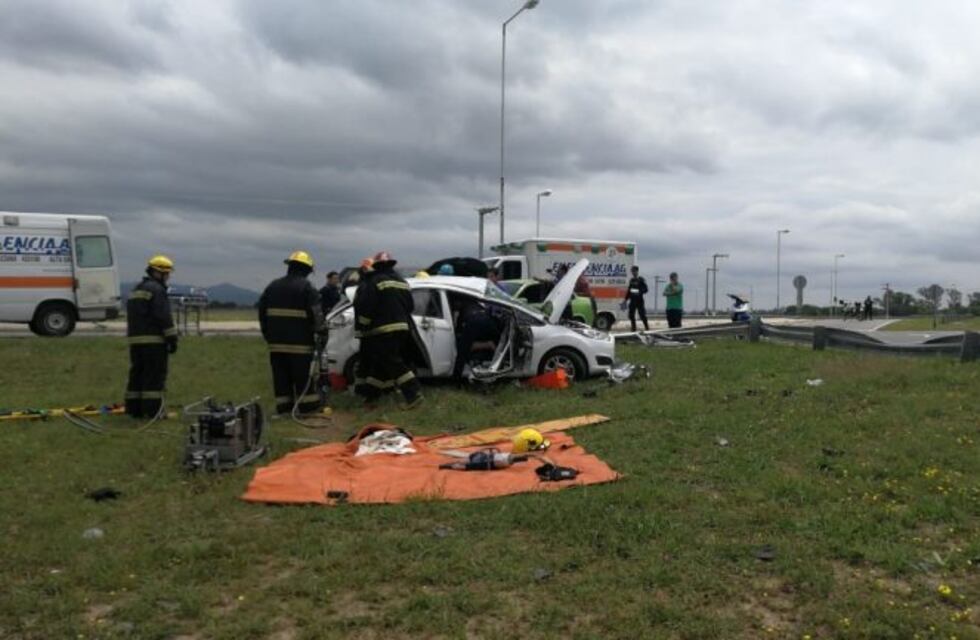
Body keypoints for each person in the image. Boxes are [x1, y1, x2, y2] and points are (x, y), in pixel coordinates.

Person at [258, 251, 327, 415]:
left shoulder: (272, 286)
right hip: (300, 344)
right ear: (306, 270)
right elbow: (316, 314)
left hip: (276, 344)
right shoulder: (307, 287)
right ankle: (307, 408)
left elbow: (262, 314)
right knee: (303, 377)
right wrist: (322, 332)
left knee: (281, 378)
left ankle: (284, 408)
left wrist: (268, 336)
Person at [353, 251, 423, 408]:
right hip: (403, 329)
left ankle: (413, 392)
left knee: (392, 361)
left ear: (377, 266)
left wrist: (364, 325)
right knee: (382, 363)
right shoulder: (402, 282)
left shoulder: (375, 281)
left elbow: (366, 306)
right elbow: (410, 306)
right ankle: (371, 396)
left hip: (383, 330)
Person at [125, 255, 179, 419]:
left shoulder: (136, 290)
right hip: (154, 342)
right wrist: (172, 339)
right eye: (166, 274)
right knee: (154, 378)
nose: (167, 277)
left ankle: (134, 410)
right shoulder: (157, 290)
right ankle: (153, 412)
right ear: (159, 273)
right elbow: (163, 316)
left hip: (135, 342)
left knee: (137, 375)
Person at [452, 299, 500, 381]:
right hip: (488, 321)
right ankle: (497, 363)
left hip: (474, 320)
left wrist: (457, 331)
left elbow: (457, 319)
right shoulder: (473, 299)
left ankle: (456, 379)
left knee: (462, 350)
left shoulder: (460, 300)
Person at [624, 265, 649, 332]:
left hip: (639, 300)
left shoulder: (641, 279)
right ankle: (633, 329)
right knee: (631, 315)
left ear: (637, 271)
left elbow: (646, 289)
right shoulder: (631, 280)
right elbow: (629, 291)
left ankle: (647, 328)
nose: (633, 272)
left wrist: (639, 292)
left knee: (642, 315)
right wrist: (625, 300)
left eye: (634, 271)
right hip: (632, 300)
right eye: (632, 271)